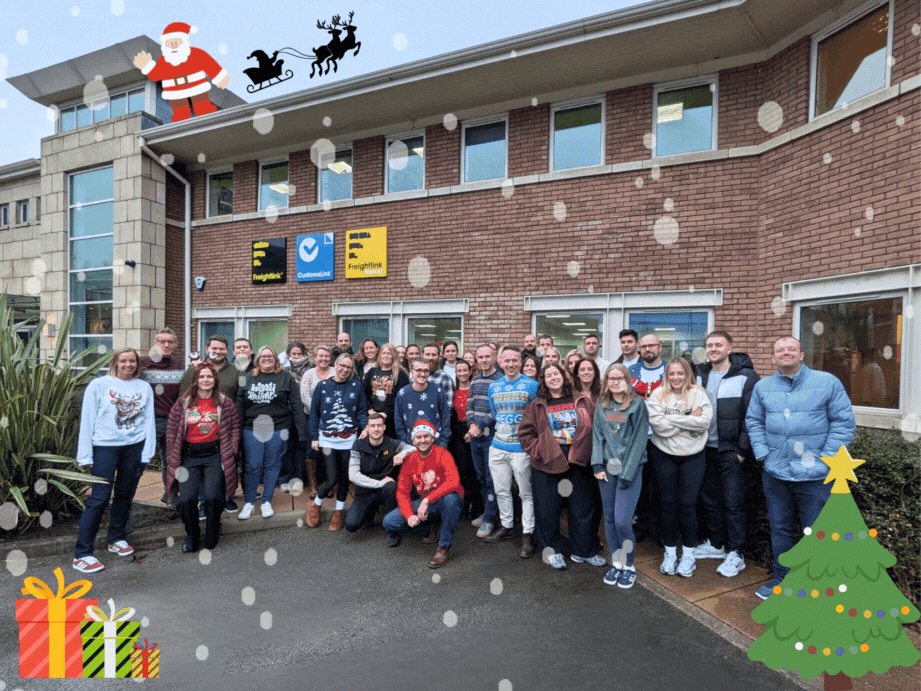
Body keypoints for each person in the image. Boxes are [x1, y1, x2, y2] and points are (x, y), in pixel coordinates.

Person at [746, 336, 855, 600]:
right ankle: (781, 580)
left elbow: (843, 423)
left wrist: (824, 460)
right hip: (776, 474)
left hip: (815, 476)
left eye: (791, 349)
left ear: (802, 354)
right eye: (779, 350)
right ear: (773, 357)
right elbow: (754, 422)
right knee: (780, 529)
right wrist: (764, 455)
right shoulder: (763, 387)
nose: (785, 353)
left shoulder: (827, 383)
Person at [73, 348, 156, 573]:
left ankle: (116, 538)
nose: (128, 364)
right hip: (105, 447)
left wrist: (147, 451)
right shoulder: (99, 386)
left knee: (124, 493)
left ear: (137, 364)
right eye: (123, 361)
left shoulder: (143, 387)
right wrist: (85, 454)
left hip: (134, 447)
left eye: (132, 361)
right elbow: (88, 419)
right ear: (115, 363)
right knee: (99, 498)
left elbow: (148, 421)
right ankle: (82, 553)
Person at [519, 363, 602, 571]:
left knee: (582, 509)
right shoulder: (537, 405)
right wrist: (540, 450)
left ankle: (583, 550)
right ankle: (552, 552)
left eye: (556, 373)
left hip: (578, 463)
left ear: (563, 376)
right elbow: (525, 434)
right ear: (544, 381)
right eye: (548, 375)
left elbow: (596, 428)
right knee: (547, 510)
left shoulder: (581, 400)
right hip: (547, 464)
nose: (553, 377)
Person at [694, 331, 760, 578]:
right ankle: (717, 544)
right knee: (711, 501)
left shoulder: (746, 376)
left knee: (734, 503)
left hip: (731, 452)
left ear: (729, 348)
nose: (713, 349)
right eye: (709, 345)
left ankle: (736, 553)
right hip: (704, 450)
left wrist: (742, 451)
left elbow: (752, 417)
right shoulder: (699, 374)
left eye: (718, 345)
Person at [646, 357, 713, 578]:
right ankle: (669, 553)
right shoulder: (657, 394)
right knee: (667, 504)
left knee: (687, 505)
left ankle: (688, 555)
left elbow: (704, 423)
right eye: (672, 373)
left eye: (680, 373)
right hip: (663, 454)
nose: (676, 378)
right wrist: (687, 419)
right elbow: (658, 426)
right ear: (667, 375)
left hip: (693, 456)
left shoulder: (698, 393)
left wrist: (671, 419)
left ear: (687, 374)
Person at [164, 362, 240, 553]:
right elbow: (172, 431)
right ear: (195, 380)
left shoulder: (225, 402)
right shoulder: (183, 403)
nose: (205, 380)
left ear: (215, 380)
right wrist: (172, 453)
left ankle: (213, 530)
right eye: (202, 377)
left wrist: (231, 450)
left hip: (215, 454)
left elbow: (234, 429)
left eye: (209, 377)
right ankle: (192, 534)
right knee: (187, 499)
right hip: (189, 456)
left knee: (214, 496)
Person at [591, 364, 649, 588]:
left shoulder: (637, 405)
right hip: (607, 469)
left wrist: (627, 473)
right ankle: (617, 562)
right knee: (608, 519)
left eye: (619, 378)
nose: (614, 382)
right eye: (611, 378)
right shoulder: (602, 405)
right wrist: (597, 465)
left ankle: (629, 565)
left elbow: (639, 440)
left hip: (630, 469)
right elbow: (597, 436)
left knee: (622, 520)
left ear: (627, 380)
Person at [235, 346, 306, 521]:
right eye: (263, 356)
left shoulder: (286, 378)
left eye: (270, 356)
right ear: (257, 360)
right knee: (252, 465)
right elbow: (239, 405)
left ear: (276, 359)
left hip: (278, 427)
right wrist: (236, 431)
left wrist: (301, 432)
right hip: (252, 428)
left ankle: (266, 500)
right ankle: (250, 502)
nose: (266, 359)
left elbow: (297, 406)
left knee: (273, 464)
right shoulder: (248, 377)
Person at [382, 420, 464, 568]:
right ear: (413, 440)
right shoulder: (410, 461)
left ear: (433, 438)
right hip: (426, 506)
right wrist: (409, 515)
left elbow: (453, 482)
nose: (422, 440)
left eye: (426, 436)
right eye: (418, 437)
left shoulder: (443, 454)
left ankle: (444, 547)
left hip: (445, 500)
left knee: (451, 499)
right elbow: (402, 492)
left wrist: (426, 500)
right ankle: (428, 528)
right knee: (389, 521)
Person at [178, 335, 244, 513]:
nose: (218, 352)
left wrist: (236, 421)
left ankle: (226, 497)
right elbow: (182, 397)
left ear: (227, 351)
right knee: (200, 468)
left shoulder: (236, 370)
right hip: (199, 426)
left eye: (222, 349)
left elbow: (241, 396)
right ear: (207, 349)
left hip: (227, 426)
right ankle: (203, 502)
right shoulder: (195, 370)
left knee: (228, 463)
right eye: (214, 349)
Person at [484, 346, 539, 558]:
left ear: (520, 361)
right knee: (502, 490)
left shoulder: (532, 385)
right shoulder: (494, 387)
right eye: (506, 360)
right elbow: (495, 412)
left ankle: (527, 533)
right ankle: (506, 526)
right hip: (498, 446)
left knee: (526, 493)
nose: (510, 364)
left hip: (521, 448)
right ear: (500, 362)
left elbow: (536, 415)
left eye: (514, 360)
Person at [306, 353, 368, 530]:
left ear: (351, 370)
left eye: (348, 367)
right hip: (327, 439)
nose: (344, 370)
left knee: (344, 477)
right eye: (342, 366)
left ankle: (338, 511)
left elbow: (362, 410)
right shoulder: (323, 386)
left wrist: (365, 429)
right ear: (336, 365)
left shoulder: (356, 386)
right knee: (332, 477)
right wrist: (314, 437)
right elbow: (314, 414)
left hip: (349, 439)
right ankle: (316, 504)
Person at [132, 22, 230, 122]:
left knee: (202, 106)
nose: (173, 45)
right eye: (170, 43)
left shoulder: (195, 54)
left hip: (196, 84)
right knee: (180, 111)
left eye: (176, 42)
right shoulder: (164, 61)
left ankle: (204, 111)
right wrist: (147, 66)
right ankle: (181, 117)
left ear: (183, 41)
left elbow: (208, 63)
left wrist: (219, 76)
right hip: (175, 90)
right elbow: (156, 75)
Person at [345, 413, 414, 533]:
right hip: (365, 492)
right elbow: (353, 475)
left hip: (386, 492)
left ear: (384, 427)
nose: (376, 429)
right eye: (372, 426)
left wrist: (403, 453)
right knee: (351, 525)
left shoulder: (392, 443)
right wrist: (380, 483)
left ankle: (391, 530)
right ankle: (369, 513)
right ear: (366, 428)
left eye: (379, 425)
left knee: (391, 486)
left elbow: (415, 448)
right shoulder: (358, 445)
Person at [139, 328, 185, 507]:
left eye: (170, 342)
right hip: (148, 422)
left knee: (171, 461)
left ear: (175, 344)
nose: (166, 345)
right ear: (155, 343)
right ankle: (127, 496)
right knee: (141, 459)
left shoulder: (179, 365)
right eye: (162, 341)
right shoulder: (142, 364)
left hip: (172, 421)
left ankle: (171, 495)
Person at [465, 343, 504, 539]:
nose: (484, 360)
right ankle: (489, 511)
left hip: (492, 437)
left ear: (494, 357)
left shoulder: (501, 380)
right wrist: (472, 425)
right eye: (480, 357)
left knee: (491, 479)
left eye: (487, 356)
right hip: (475, 436)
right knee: (481, 477)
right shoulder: (475, 380)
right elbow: (470, 402)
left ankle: (490, 519)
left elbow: (497, 409)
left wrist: (481, 426)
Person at [300, 345, 334, 498]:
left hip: (333, 419)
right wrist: (318, 412)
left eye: (327, 356)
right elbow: (304, 396)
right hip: (311, 418)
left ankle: (329, 483)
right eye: (320, 356)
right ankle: (314, 486)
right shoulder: (309, 374)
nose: (324, 359)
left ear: (330, 358)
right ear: (315, 358)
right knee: (312, 449)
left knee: (330, 450)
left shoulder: (335, 372)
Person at [278, 342, 312, 493]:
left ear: (305, 353)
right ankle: (285, 478)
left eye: (300, 353)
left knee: (301, 446)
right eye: (294, 354)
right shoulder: (283, 370)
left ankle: (299, 478)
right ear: (288, 355)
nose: (297, 357)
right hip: (287, 413)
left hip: (305, 412)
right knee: (286, 447)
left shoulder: (312, 368)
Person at [395, 358, 450, 448]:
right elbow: (398, 421)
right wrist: (406, 442)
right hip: (411, 444)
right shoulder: (403, 393)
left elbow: (445, 417)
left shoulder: (437, 391)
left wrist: (443, 442)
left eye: (426, 371)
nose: (422, 374)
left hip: (437, 444)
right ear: (411, 372)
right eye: (419, 370)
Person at [449, 359, 479, 519]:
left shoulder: (476, 390)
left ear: (470, 371)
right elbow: (452, 418)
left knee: (475, 472)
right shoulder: (453, 392)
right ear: (455, 373)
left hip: (476, 433)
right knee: (461, 471)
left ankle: (474, 508)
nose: (462, 374)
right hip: (459, 437)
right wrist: (463, 433)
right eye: (459, 371)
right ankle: (461, 505)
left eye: (464, 370)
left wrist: (472, 431)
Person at [363, 343, 410, 439]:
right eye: (383, 353)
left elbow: (402, 398)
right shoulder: (372, 371)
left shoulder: (401, 374)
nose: (386, 356)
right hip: (372, 417)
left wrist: (385, 413)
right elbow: (363, 393)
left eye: (389, 353)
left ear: (394, 356)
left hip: (391, 420)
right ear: (380, 355)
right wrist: (370, 410)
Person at [423, 343, 455, 409]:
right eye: (427, 354)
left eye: (434, 355)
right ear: (422, 356)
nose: (430, 358)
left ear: (438, 357)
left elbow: (448, 406)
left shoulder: (445, 378)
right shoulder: (416, 376)